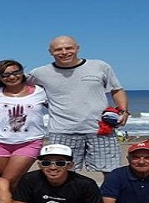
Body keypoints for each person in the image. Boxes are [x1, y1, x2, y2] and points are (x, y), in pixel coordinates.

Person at [27, 35, 129, 174]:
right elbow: (20, 88)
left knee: (111, 172)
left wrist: (123, 111)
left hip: (100, 129)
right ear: (50, 52)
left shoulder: (100, 66)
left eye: (68, 48)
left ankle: (106, 197)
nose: (64, 52)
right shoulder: (39, 73)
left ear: (77, 48)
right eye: (58, 49)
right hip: (62, 131)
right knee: (62, 172)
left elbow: (116, 89)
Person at [0, 60, 48, 189]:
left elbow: (59, 107)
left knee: (6, 181)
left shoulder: (40, 91)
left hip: (29, 142)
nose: (12, 77)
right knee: (14, 182)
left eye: (16, 72)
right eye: (5, 75)